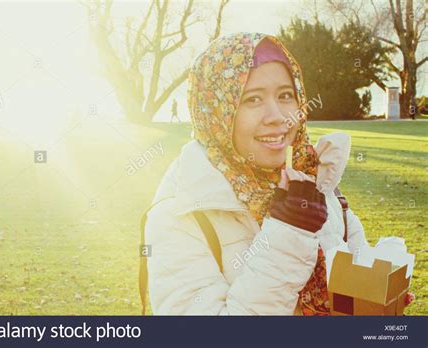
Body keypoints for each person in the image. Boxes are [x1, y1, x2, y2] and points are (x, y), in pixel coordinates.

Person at [143, 33, 414, 315]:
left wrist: (374, 304)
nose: (278, 116)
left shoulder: (314, 178)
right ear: (216, 112)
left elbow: (353, 275)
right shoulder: (179, 214)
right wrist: (289, 234)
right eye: (252, 99)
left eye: (286, 96)